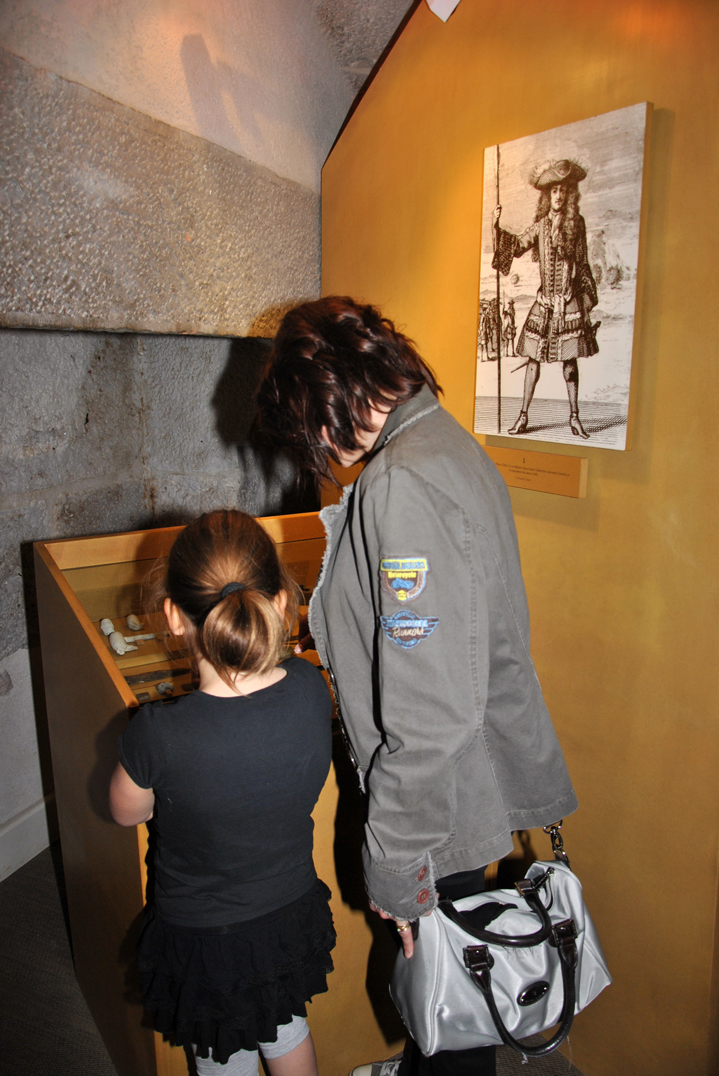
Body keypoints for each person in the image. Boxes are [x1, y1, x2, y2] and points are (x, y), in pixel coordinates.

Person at [256, 297, 578, 1076]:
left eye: (310, 433)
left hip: (439, 807)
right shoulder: (445, 442)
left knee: (452, 1015)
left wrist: (396, 859)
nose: (322, 455)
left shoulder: (402, 482)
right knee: (457, 1005)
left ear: (327, 400)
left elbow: (430, 713)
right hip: (464, 786)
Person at [109, 510, 335, 1076]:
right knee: (286, 1027)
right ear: (280, 602)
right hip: (288, 912)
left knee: (222, 1051)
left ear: (172, 616)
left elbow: (125, 812)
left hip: (207, 938)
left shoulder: (158, 733)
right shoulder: (310, 687)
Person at [492, 159, 599, 439]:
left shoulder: (577, 224)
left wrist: (585, 300)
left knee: (570, 362)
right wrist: (496, 227)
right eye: (554, 191)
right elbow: (517, 246)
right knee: (532, 360)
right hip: (544, 303)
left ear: (570, 194)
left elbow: (583, 263)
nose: (559, 196)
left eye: (563, 190)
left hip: (569, 302)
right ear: (547, 195)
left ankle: (574, 418)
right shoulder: (540, 226)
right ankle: (523, 417)